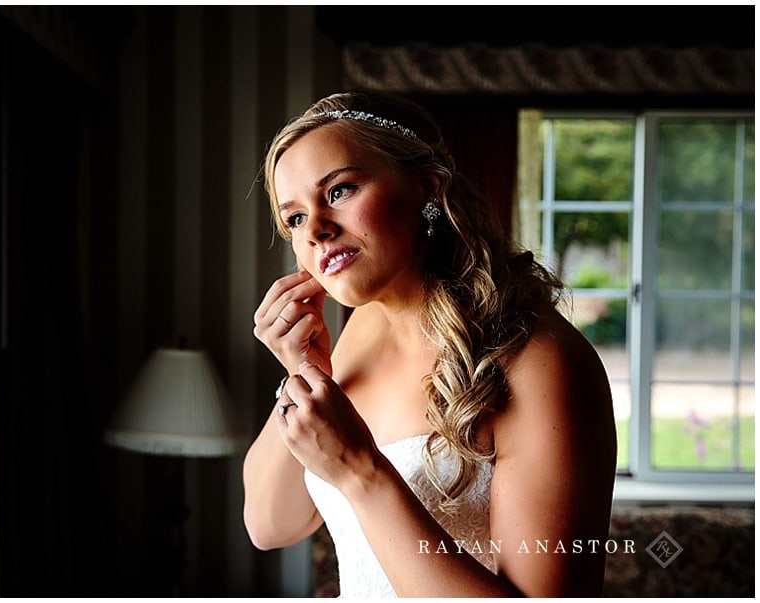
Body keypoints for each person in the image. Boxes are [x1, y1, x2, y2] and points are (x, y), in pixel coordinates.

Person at [242, 91, 617, 597]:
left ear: (427, 188)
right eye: (294, 218)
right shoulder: (358, 331)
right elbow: (271, 526)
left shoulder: (538, 359)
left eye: (339, 191)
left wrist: (363, 475)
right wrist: (303, 374)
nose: (317, 230)